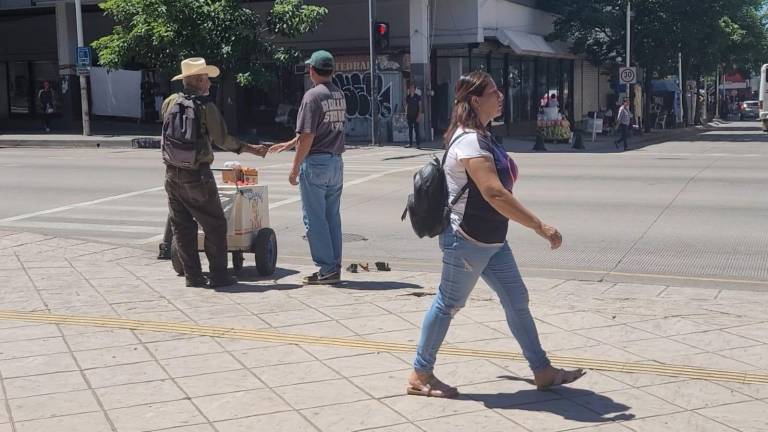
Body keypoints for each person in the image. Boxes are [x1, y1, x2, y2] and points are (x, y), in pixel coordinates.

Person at [407, 71, 585, 398]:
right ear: (476, 100)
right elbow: (494, 193)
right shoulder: (471, 141)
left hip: (491, 241)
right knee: (448, 304)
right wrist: (539, 226)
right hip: (467, 240)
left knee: (517, 299)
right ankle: (420, 373)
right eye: (494, 92)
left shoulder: (482, 135)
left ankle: (542, 370)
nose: (501, 95)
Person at [162, 57, 268, 288]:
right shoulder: (204, 107)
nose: (209, 84)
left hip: (172, 173)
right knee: (215, 224)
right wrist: (251, 149)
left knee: (182, 227)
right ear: (199, 81)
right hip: (197, 175)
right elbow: (223, 139)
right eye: (206, 79)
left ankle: (193, 276)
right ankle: (219, 274)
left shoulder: (170, 102)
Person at [269, 50, 347, 285]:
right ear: (332, 71)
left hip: (316, 163)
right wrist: (292, 142)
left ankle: (326, 268)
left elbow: (309, 135)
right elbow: (319, 130)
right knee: (331, 217)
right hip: (335, 162)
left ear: (312, 71)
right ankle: (333, 267)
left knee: (314, 220)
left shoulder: (312, 97)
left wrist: (294, 168)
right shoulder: (338, 94)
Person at [405, 82, 422, 148]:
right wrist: (406, 113)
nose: (411, 89)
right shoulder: (408, 97)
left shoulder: (417, 97)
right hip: (409, 115)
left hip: (416, 115)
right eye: (410, 88)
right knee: (410, 130)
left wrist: (419, 116)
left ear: (415, 89)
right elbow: (406, 105)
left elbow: (420, 107)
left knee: (416, 130)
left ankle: (418, 144)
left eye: (413, 88)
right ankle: (410, 144)